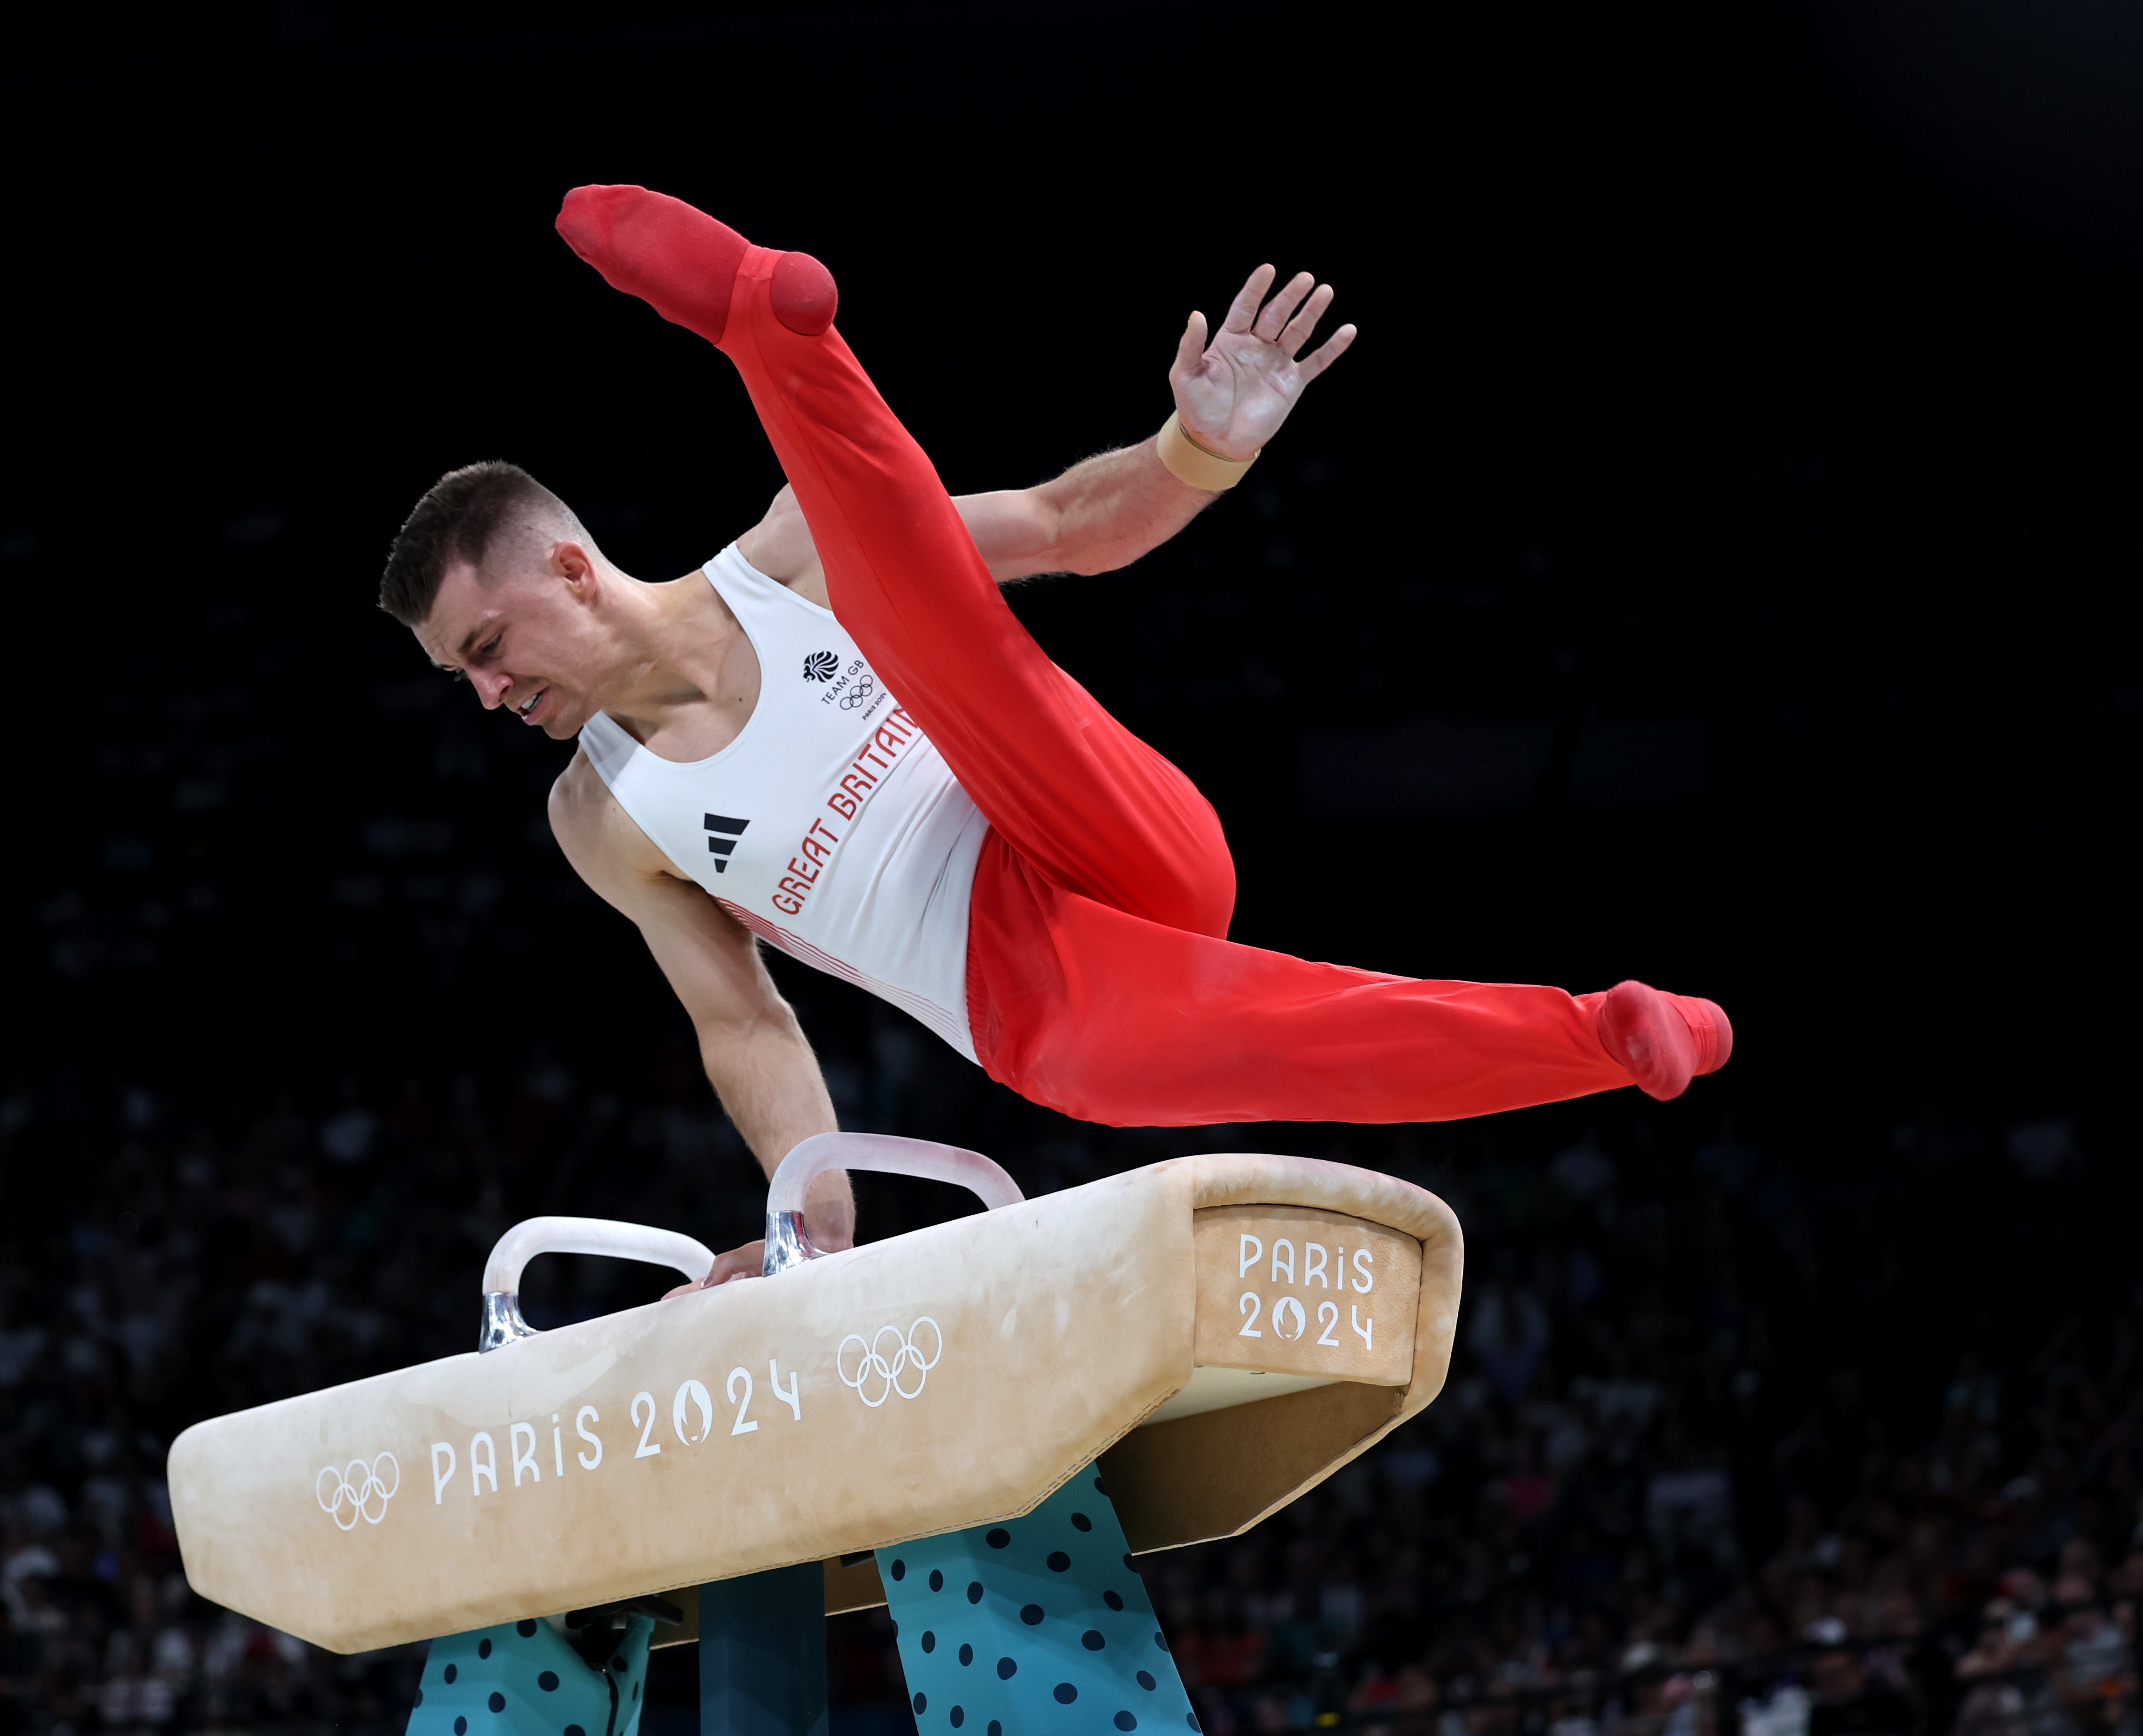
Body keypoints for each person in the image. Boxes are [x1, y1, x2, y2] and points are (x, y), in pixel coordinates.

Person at [381, 186, 1730, 1281]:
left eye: (485, 648)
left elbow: (1079, 529)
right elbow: (741, 1022)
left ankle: (768, 328)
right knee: (1297, 1034)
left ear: (565, 567)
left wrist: (1199, 446)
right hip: (1036, 999)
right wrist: (816, 1223)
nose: (487, 695)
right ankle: (1602, 1037)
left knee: (920, 613)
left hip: (1073, 809)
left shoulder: (784, 560)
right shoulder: (599, 819)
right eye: (460, 677)